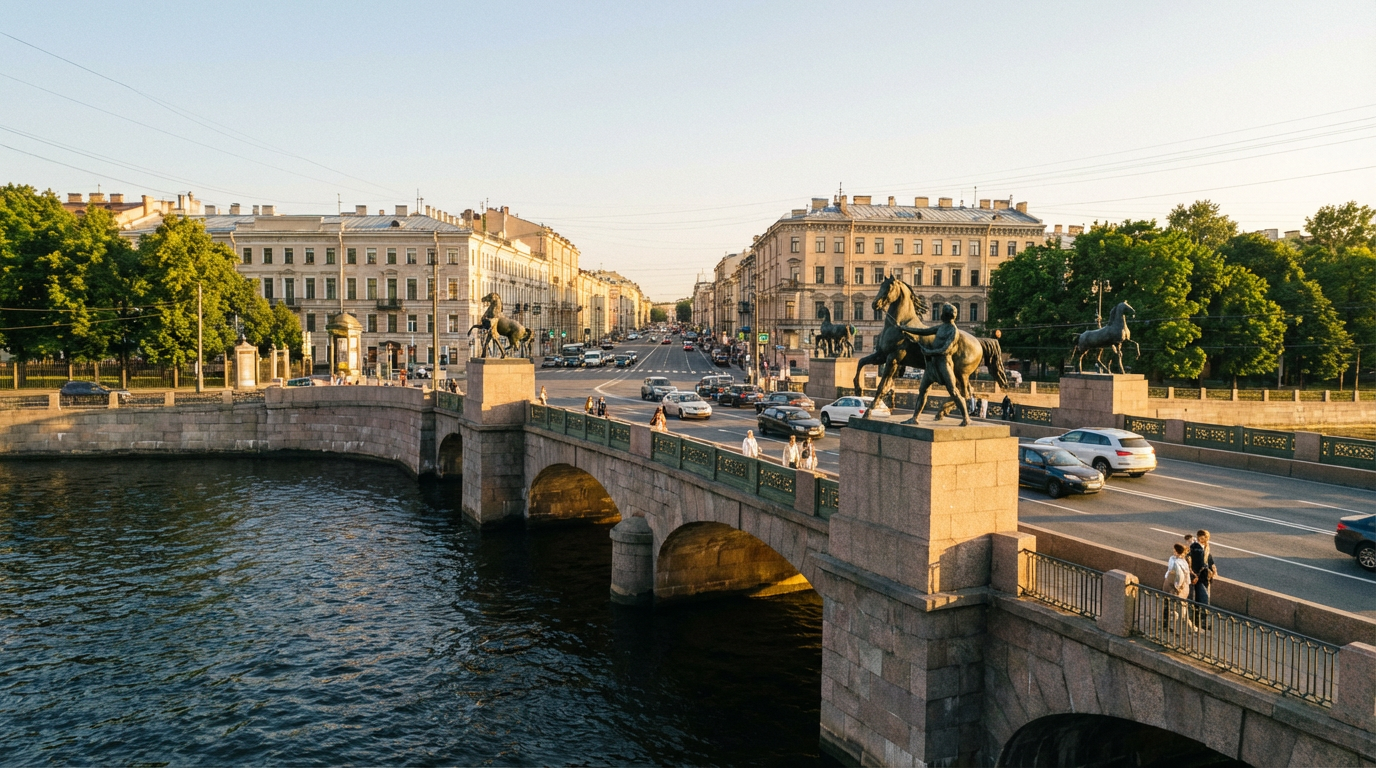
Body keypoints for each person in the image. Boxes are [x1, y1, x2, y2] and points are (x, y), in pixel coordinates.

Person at [1164, 543, 1198, 634]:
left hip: (1177, 588)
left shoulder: (1177, 562)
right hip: (1181, 587)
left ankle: (1176, 629)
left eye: (1175, 550)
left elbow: (1180, 576)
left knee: (1177, 609)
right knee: (1182, 607)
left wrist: (1177, 587)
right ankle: (1190, 627)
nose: (1173, 551)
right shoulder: (1180, 561)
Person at [1189, 529, 1217, 627]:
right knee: (1203, 598)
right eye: (1199, 537)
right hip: (1198, 576)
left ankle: (1198, 621)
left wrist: (1212, 566)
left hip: (1205, 577)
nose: (1200, 539)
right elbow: (1198, 562)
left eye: (1203, 538)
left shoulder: (1206, 547)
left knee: (1201, 599)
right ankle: (1201, 622)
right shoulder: (1195, 547)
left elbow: (1208, 558)